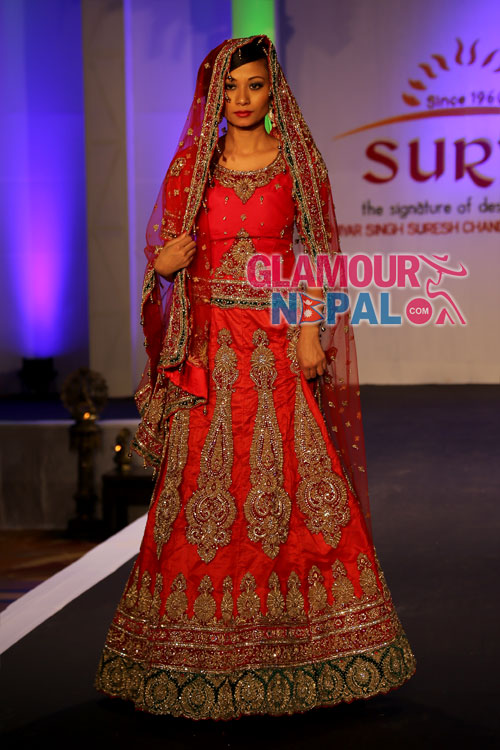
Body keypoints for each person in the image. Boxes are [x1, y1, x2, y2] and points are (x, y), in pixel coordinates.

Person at [94, 35, 416, 720]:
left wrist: (309, 331)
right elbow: (165, 255)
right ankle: (187, 654)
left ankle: (310, 649)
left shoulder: (298, 162)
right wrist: (163, 266)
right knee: (200, 497)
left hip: (275, 350)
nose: (242, 99)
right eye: (231, 87)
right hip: (209, 352)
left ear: (274, 92)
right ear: (214, 95)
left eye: (255, 86)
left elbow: (320, 256)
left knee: (294, 494)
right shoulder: (193, 168)